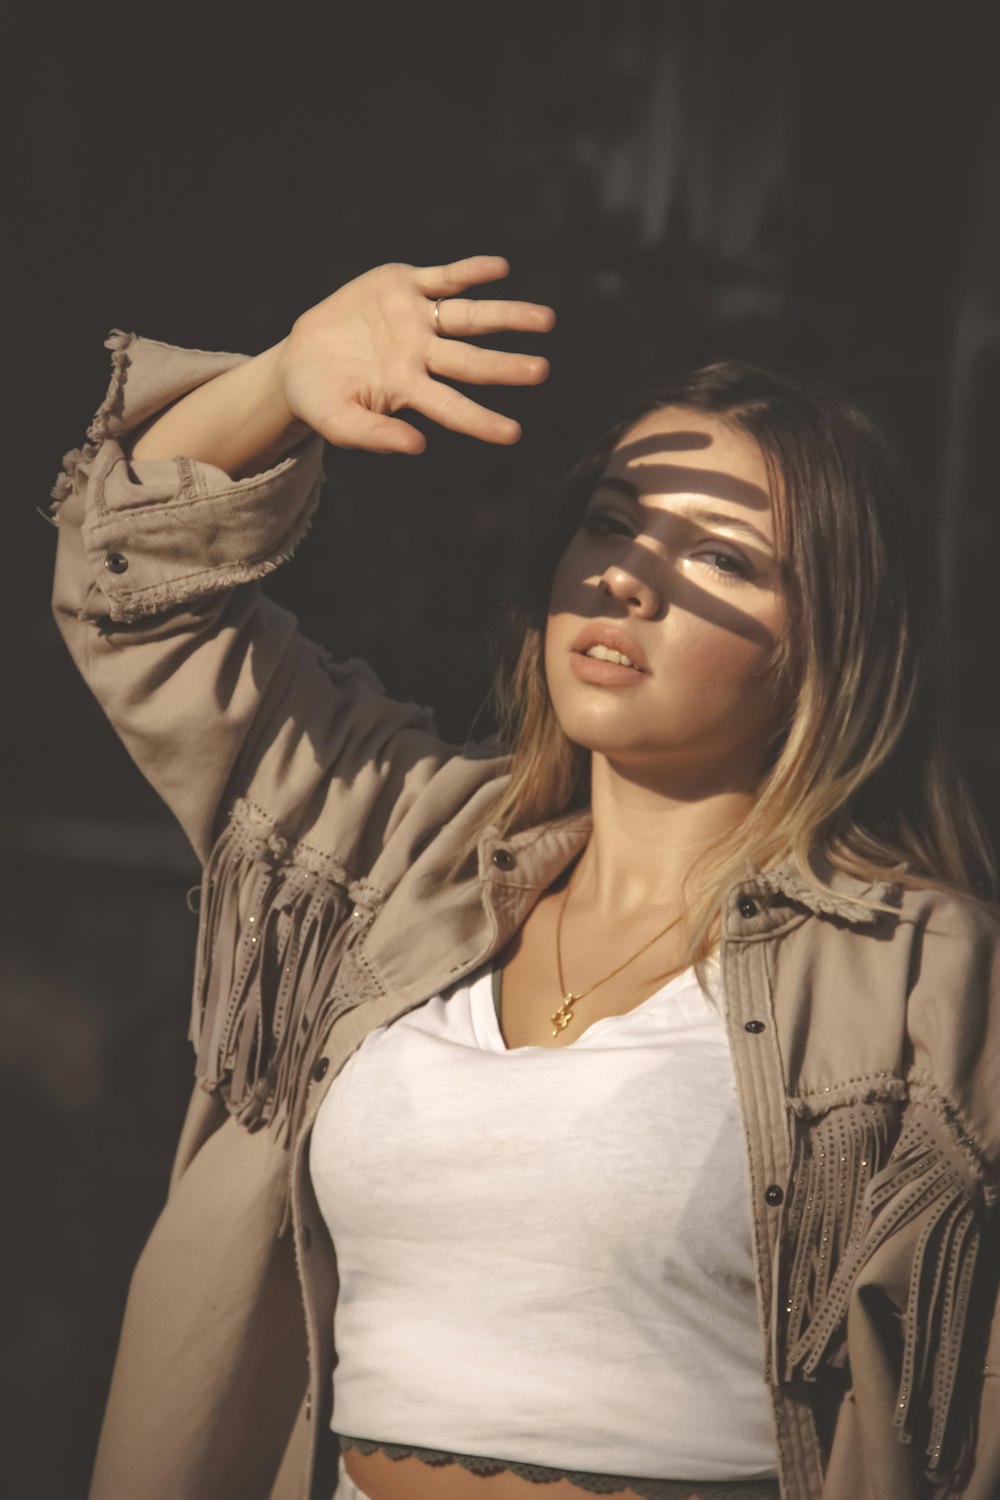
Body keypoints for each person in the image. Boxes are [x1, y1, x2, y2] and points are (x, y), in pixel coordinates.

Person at [46, 256, 1000, 1500]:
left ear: (829, 645)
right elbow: (135, 596)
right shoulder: (393, 842)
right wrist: (282, 375)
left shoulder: (923, 972)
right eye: (611, 522)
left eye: (721, 559)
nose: (625, 576)